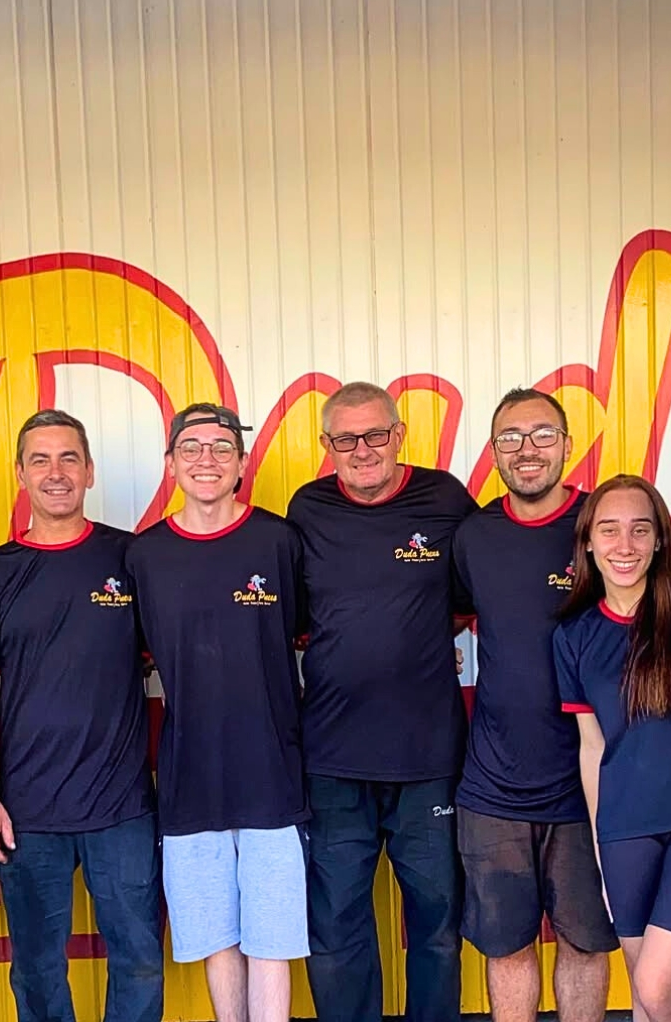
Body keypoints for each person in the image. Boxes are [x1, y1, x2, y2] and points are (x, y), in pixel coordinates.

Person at [0, 409, 162, 1022]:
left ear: (90, 471)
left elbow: (181, 653)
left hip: (122, 806)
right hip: (27, 811)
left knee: (139, 959)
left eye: (69, 458)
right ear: (20, 474)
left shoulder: (131, 559)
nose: (56, 472)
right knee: (38, 967)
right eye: (40, 460)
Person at [286, 381, 477, 1022]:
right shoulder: (307, 508)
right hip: (333, 759)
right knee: (336, 927)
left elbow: (475, 593)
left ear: (399, 435)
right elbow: (294, 614)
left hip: (428, 758)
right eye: (346, 439)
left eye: (375, 435)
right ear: (326, 445)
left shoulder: (444, 498)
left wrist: (416, 640)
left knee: (437, 925)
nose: (362, 450)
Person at [126, 403, 308, 1022]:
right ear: (171, 463)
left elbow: (309, 634)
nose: (207, 459)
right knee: (214, 935)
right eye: (192, 447)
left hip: (273, 772)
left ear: (242, 463)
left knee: (272, 937)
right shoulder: (145, 556)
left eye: (221, 447)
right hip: (189, 776)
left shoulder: (278, 541)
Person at [452, 387, 618, 1022]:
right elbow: (446, 619)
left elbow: (667, 603)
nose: (527, 449)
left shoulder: (602, 527)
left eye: (543, 434)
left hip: (589, 785)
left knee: (585, 943)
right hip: (493, 787)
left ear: (568, 445)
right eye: (511, 437)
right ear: (494, 451)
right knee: (507, 947)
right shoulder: (474, 536)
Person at [553, 475, 671, 1022]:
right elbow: (591, 747)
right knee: (645, 995)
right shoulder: (573, 635)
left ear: (659, 541)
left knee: (657, 985)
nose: (624, 545)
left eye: (640, 530)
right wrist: (601, 848)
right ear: (588, 543)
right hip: (624, 831)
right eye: (609, 530)